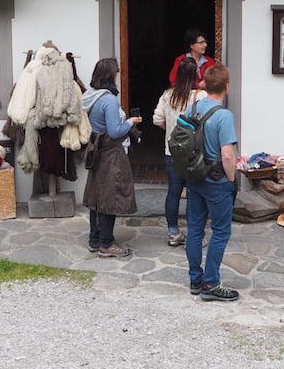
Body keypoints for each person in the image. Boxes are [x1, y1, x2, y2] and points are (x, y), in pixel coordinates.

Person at [185, 64, 239, 302]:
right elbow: (227, 154)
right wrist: (232, 180)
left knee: (195, 229)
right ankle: (211, 283)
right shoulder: (223, 115)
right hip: (216, 180)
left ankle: (195, 279)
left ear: (206, 84)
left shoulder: (192, 108)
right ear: (227, 86)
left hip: (195, 176)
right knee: (220, 231)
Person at [81, 57, 141, 258]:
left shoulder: (92, 96)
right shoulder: (108, 100)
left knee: (97, 197)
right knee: (109, 197)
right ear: (110, 75)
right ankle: (106, 243)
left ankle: (94, 239)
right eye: (116, 71)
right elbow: (115, 132)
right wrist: (131, 122)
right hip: (110, 153)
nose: (118, 75)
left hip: (97, 151)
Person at [153, 57, 208, 247]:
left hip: (172, 151)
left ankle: (173, 233)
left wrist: (171, 130)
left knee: (173, 193)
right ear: (196, 75)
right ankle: (195, 235)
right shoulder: (200, 97)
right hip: (194, 153)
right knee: (194, 193)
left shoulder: (168, 95)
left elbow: (157, 119)